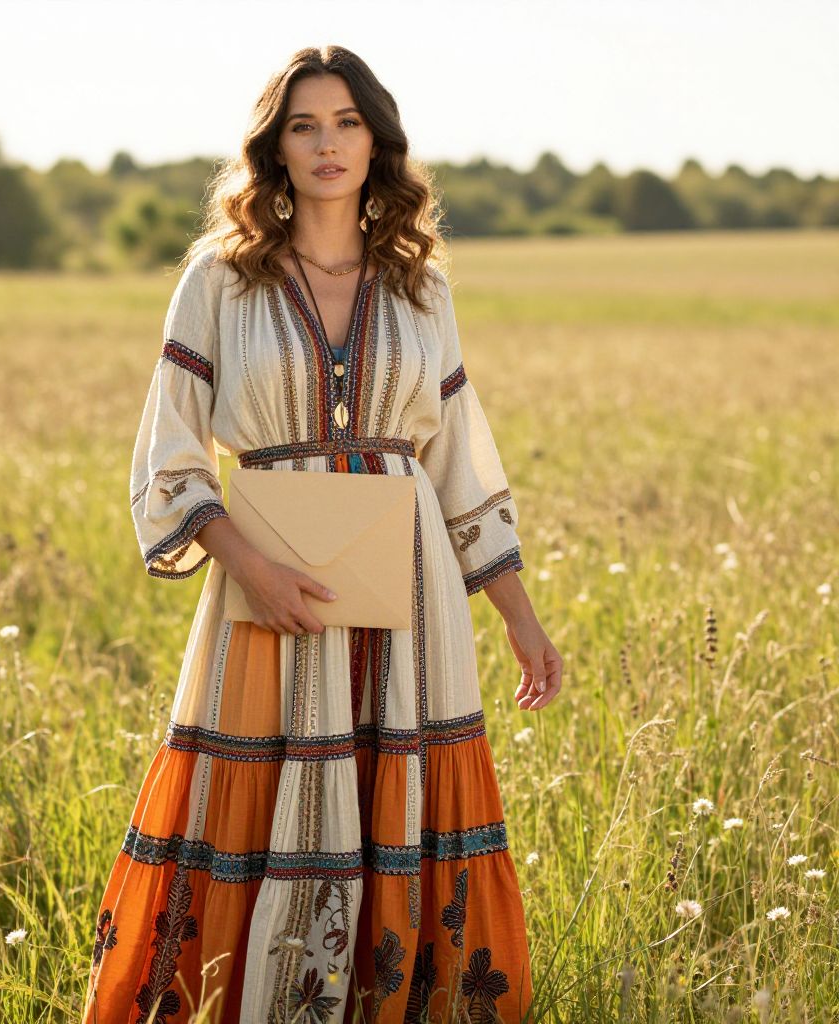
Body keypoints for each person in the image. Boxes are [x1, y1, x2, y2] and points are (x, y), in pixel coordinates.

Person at [82, 44, 562, 1024]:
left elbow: (458, 459)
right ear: (276, 148)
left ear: (375, 141)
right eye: (304, 124)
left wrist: (520, 615)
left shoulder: (421, 286)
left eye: (345, 122)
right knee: (259, 796)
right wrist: (251, 567)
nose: (327, 143)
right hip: (264, 588)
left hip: (412, 601)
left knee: (401, 786)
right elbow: (171, 455)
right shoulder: (220, 281)